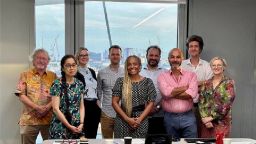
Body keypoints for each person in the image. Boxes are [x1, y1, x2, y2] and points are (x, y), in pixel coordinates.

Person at [15, 49, 57, 144]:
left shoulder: (53, 76)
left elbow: (57, 95)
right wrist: (37, 107)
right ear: (33, 60)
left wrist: (47, 107)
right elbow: (21, 95)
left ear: (48, 61)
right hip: (29, 119)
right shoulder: (25, 75)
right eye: (38, 58)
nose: (41, 60)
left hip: (49, 118)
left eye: (44, 58)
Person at [158, 48, 198, 138]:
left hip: (188, 117)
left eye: (178, 57)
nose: (175, 59)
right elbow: (165, 92)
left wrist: (171, 93)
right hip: (169, 118)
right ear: (168, 59)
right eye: (172, 57)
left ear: (182, 59)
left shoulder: (191, 75)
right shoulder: (162, 76)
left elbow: (192, 94)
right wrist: (185, 88)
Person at [112, 55, 156, 138]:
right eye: (129, 64)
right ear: (126, 67)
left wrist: (139, 120)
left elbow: (151, 103)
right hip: (123, 119)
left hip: (141, 120)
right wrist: (127, 119)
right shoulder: (120, 81)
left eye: (135, 64)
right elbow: (114, 102)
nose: (132, 66)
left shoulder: (148, 82)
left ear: (140, 66)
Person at [181, 35, 213, 137]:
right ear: (188, 48)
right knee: (187, 136)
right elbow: (179, 85)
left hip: (203, 107)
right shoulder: (182, 65)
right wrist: (200, 83)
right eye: (191, 46)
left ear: (200, 48)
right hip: (186, 106)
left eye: (196, 46)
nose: (193, 48)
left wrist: (190, 85)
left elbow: (209, 85)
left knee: (202, 135)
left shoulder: (207, 65)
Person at [49, 54, 85, 139]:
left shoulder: (79, 84)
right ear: (62, 68)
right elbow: (55, 109)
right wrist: (69, 126)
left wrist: (81, 123)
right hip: (60, 127)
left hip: (77, 127)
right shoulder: (57, 84)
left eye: (73, 65)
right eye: (68, 65)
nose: (71, 68)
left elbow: (81, 106)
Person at [199, 57, 235, 138]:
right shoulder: (206, 83)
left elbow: (227, 104)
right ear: (211, 67)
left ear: (224, 67)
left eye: (219, 65)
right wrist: (205, 118)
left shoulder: (229, 83)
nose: (216, 67)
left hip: (222, 123)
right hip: (207, 123)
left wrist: (211, 117)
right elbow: (201, 101)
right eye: (214, 65)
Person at [97, 45, 124, 138]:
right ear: (108, 56)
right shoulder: (101, 72)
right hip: (106, 114)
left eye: (117, 54)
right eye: (113, 54)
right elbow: (99, 92)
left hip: (122, 114)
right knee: (106, 142)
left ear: (121, 56)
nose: (115, 56)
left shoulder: (126, 72)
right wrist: (99, 110)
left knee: (120, 141)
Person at [76, 47, 101, 138]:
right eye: (81, 55)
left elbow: (95, 89)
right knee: (82, 136)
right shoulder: (75, 72)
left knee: (92, 136)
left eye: (86, 55)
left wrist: (98, 104)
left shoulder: (91, 71)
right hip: (82, 106)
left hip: (94, 106)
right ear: (77, 57)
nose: (84, 57)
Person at [140, 45, 166, 116]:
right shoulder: (139, 71)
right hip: (141, 112)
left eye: (156, 55)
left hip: (160, 112)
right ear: (146, 56)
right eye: (151, 55)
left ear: (159, 57)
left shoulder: (165, 73)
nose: (153, 58)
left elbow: (167, 94)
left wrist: (157, 107)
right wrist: (145, 107)